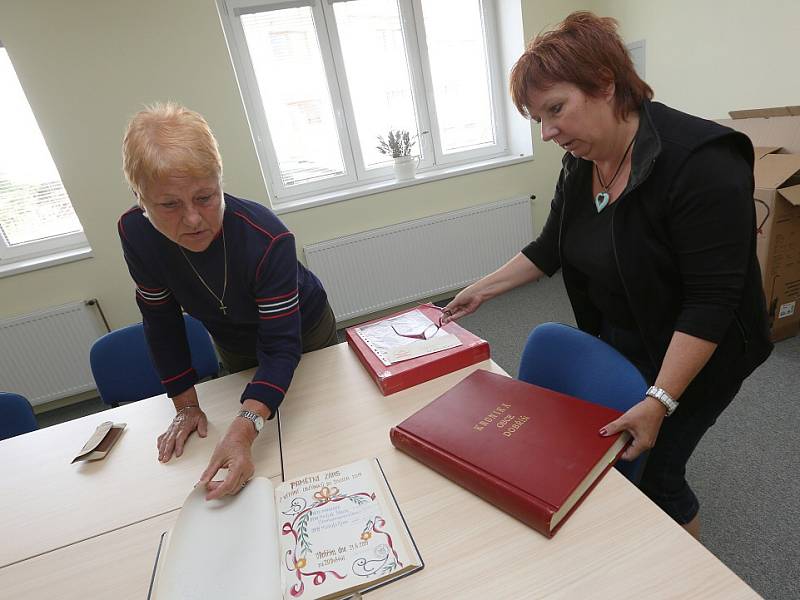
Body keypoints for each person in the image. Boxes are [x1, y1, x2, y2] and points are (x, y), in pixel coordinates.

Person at [442, 12, 772, 538]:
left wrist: (659, 400)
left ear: (605, 83)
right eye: (538, 119)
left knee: (659, 474)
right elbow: (551, 247)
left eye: (556, 109)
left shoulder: (702, 163)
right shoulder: (582, 160)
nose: (548, 133)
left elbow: (711, 301)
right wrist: (479, 290)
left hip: (706, 346)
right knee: (607, 457)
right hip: (630, 325)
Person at [118, 102, 337, 500]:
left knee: (319, 428)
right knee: (260, 411)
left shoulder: (267, 239)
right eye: (169, 205)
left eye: (205, 197)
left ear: (220, 180)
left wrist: (244, 427)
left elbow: (281, 346)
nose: (193, 220)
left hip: (302, 328)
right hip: (232, 338)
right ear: (141, 200)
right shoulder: (135, 233)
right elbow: (161, 322)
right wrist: (186, 407)